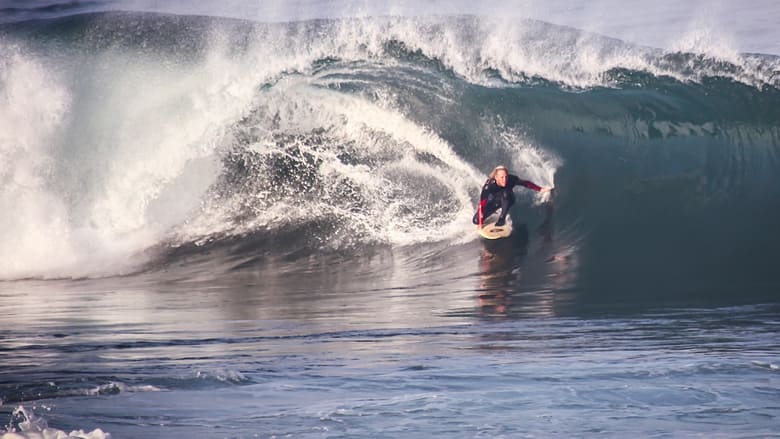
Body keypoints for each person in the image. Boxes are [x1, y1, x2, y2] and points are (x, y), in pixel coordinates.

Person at [473, 165, 552, 227]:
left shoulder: (511, 179)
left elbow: (525, 183)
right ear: (496, 177)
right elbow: (482, 204)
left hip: (508, 198)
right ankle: (495, 212)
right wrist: (480, 222)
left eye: (506, 176)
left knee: (505, 193)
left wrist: (540, 189)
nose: (505, 179)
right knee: (476, 221)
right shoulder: (489, 186)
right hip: (495, 201)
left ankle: (502, 218)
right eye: (502, 177)